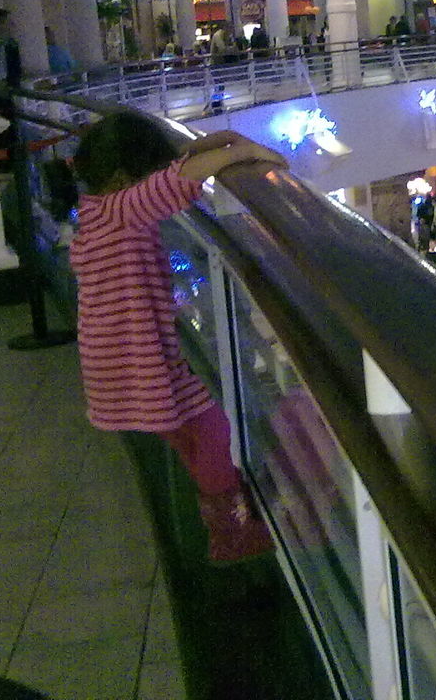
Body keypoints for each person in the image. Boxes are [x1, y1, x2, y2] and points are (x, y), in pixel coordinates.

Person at [69, 114, 283, 562]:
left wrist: (222, 141)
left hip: (121, 354)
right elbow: (180, 178)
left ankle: (232, 520)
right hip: (135, 360)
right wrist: (251, 153)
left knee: (192, 435)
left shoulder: (100, 207)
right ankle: (230, 531)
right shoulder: (124, 209)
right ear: (126, 178)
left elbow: (178, 167)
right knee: (210, 429)